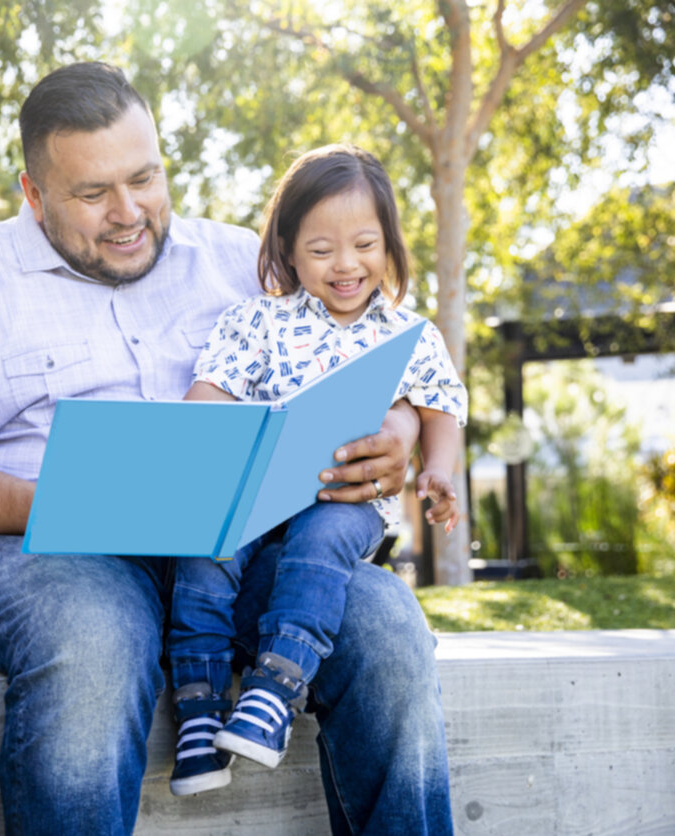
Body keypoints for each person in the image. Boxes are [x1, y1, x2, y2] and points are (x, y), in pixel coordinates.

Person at [0, 62, 453, 834]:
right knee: (96, 641)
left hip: (240, 549)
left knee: (385, 624)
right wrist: (73, 502)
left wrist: (396, 435)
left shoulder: (249, 265)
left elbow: (377, 354)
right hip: (41, 551)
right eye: (92, 195)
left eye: (145, 178)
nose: (128, 213)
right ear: (33, 193)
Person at [166, 143, 468, 797]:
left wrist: (438, 472)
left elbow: (440, 409)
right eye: (321, 249)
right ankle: (199, 712)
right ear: (289, 248)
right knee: (204, 547)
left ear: (389, 244)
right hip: (256, 493)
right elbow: (209, 399)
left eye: (364, 244)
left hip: (343, 500)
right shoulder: (256, 321)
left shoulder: (409, 334)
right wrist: (195, 437)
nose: (346, 265)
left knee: (323, 540)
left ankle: (275, 691)